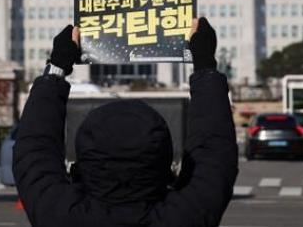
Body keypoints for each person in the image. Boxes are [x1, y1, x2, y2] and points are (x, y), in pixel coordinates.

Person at [13, 17, 238, 227]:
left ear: (82, 161)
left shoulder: (59, 215)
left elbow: (34, 147)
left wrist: (56, 67)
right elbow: (214, 150)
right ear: (165, 162)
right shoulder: (185, 216)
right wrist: (205, 64)